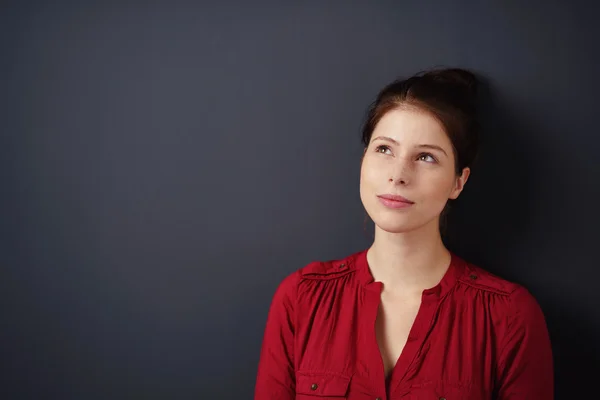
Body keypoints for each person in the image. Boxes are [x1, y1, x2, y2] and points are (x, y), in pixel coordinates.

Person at [254, 68, 553, 399]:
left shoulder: (509, 316)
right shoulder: (301, 299)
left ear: (459, 181)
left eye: (425, 157)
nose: (398, 175)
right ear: (364, 160)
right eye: (384, 149)